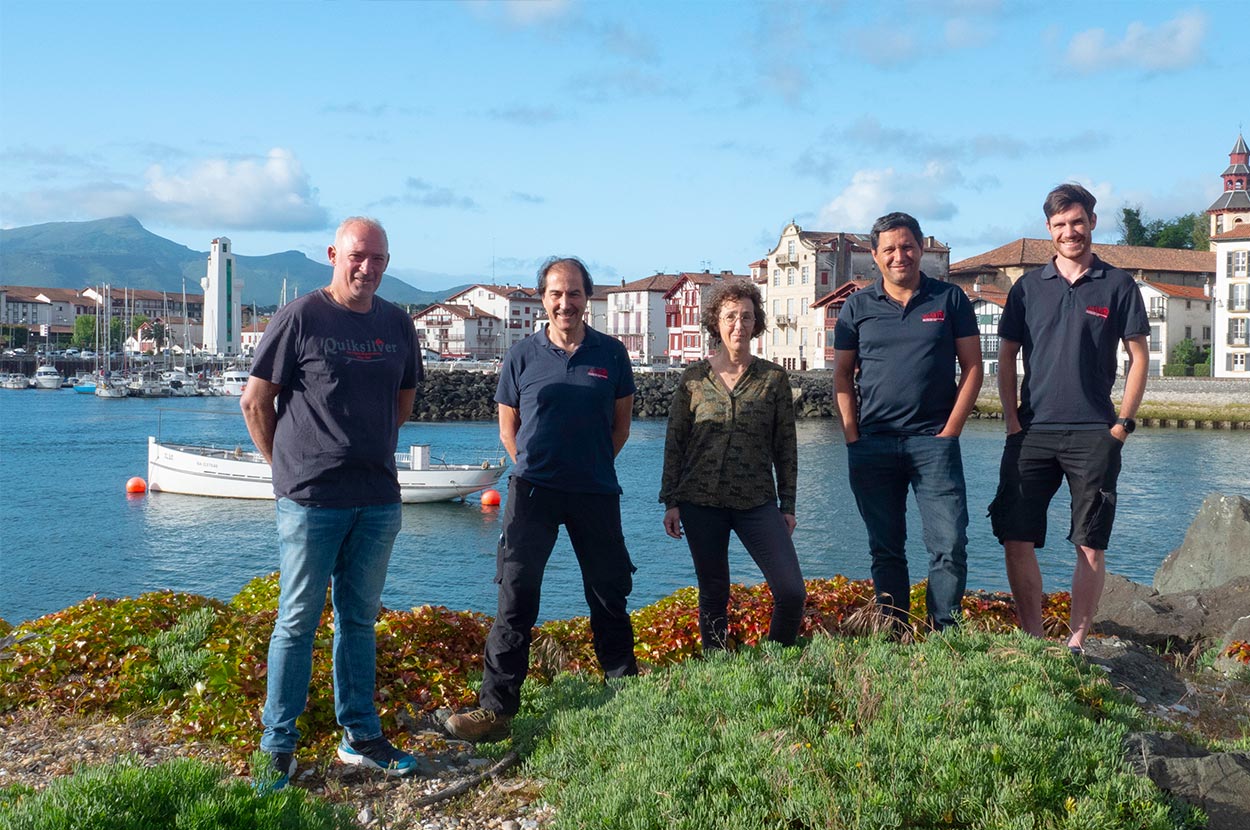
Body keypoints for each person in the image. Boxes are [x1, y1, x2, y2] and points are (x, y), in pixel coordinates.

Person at [241, 217, 423, 788]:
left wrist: (366, 453)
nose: (367, 268)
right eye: (357, 256)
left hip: (377, 498)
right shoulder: (300, 317)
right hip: (311, 501)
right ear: (333, 254)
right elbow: (255, 401)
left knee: (359, 621)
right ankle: (278, 745)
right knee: (296, 622)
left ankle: (360, 736)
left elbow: (404, 398)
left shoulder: (396, 323)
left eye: (378, 259)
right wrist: (288, 472)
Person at [445, 257, 638, 743]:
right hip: (532, 491)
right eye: (556, 293)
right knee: (516, 595)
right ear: (543, 298)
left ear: (586, 298)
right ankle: (496, 710)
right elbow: (509, 427)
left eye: (573, 293)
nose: (564, 302)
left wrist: (586, 464)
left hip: (594, 489)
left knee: (608, 594)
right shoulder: (522, 355)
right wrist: (535, 464)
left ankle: (628, 698)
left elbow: (620, 428)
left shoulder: (612, 354)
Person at [990, 183, 1149, 654]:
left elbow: (1138, 357)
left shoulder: (1118, 286)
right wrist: (1011, 422)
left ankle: (1077, 641)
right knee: (1015, 537)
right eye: (1060, 224)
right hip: (1032, 431)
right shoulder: (1026, 289)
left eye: (1077, 221)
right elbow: (1005, 357)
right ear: (1048, 230)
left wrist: (1121, 425)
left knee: (1090, 542)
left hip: (1094, 432)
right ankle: (1035, 637)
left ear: (1092, 223)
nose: (1070, 231)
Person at [833, 212, 983, 631]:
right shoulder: (856, 306)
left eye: (908, 246)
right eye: (890, 249)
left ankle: (944, 637)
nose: (900, 256)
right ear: (875, 256)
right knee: (886, 550)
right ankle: (895, 632)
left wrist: (950, 432)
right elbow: (843, 376)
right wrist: (852, 437)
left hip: (933, 444)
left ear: (921, 248)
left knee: (950, 545)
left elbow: (972, 368)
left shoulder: (949, 300)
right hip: (873, 444)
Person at [659, 280, 805, 650]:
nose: (738, 324)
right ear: (716, 323)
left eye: (746, 316)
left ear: (757, 323)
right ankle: (719, 674)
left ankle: (778, 663)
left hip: (756, 501)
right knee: (713, 594)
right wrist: (670, 501)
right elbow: (675, 442)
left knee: (791, 591)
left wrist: (787, 505)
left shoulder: (773, 378)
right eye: (730, 317)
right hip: (700, 501)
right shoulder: (694, 379)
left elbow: (786, 446)